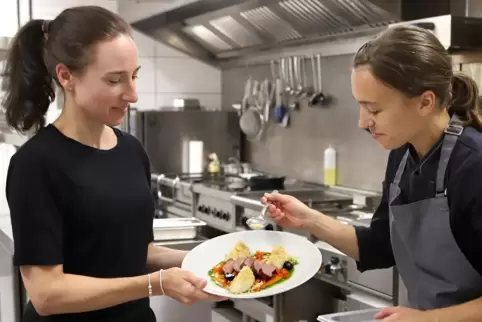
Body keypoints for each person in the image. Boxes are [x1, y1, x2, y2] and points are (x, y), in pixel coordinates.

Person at [4, 5, 222, 322]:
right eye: (115, 80)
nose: (132, 94)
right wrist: (156, 284)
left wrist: (208, 260)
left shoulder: (131, 150)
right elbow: (47, 294)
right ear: (66, 76)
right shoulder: (36, 164)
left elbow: (134, 252)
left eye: (134, 76)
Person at [262, 25, 482, 322]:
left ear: (425, 102)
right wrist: (308, 219)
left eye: (374, 110)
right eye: (360, 107)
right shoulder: (403, 154)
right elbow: (379, 246)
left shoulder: (473, 165)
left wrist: (427, 319)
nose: (362, 122)